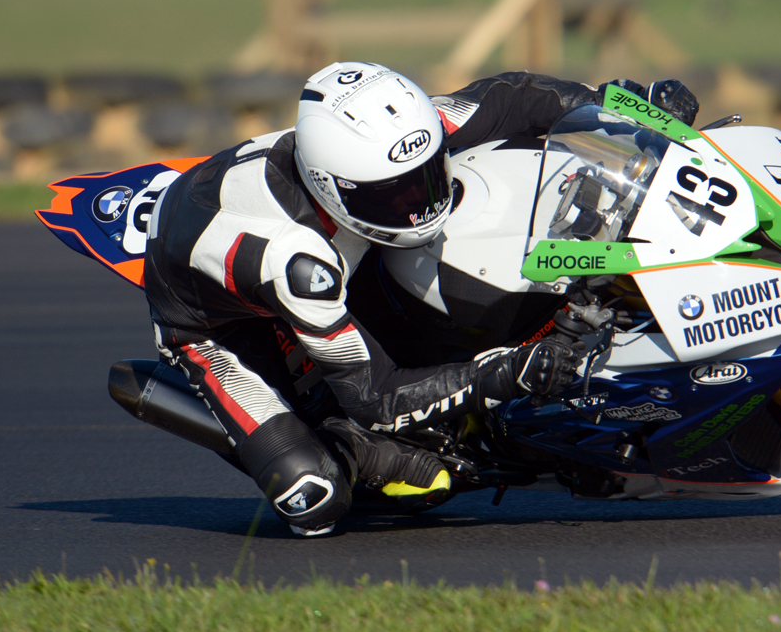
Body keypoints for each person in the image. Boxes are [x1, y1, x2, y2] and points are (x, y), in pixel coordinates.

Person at [142, 62, 699, 536]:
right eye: (399, 195)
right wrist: (506, 373)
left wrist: (626, 109)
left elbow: (514, 96)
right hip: (217, 327)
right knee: (316, 498)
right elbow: (376, 397)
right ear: (332, 188)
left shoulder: (400, 139)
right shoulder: (298, 263)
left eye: (429, 176)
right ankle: (339, 445)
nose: (423, 205)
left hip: (320, 247)